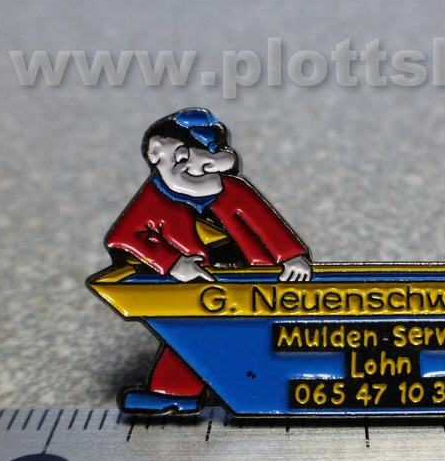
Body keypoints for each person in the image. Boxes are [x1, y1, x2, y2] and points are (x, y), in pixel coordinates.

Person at [105, 108, 312, 413]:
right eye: (184, 158)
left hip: (254, 281)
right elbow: (125, 237)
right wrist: (173, 264)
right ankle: (175, 393)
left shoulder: (235, 190)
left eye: (208, 161)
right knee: (191, 337)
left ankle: (275, 388)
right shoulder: (153, 200)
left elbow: (267, 225)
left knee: (264, 336)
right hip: (197, 285)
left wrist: (293, 257)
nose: (198, 169)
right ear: (157, 155)